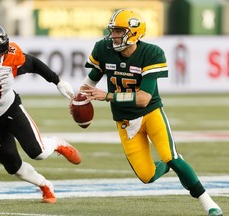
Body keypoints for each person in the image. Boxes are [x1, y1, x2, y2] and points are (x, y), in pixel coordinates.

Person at [77, 9, 223, 216]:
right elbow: (91, 79)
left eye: (119, 30)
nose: (114, 35)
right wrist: (78, 100)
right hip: (125, 121)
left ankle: (209, 203)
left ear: (134, 33)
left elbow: (144, 98)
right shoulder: (103, 48)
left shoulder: (151, 53)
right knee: (146, 176)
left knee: (171, 156)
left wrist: (108, 96)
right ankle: (167, 164)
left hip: (150, 113)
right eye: (113, 30)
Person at [0, 21, 82, 203]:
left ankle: (57, 143)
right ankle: (45, 185)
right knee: (13, 166)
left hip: (9, 108)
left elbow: (34, 64)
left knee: (39, 153)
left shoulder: (11, 55)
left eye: (0, 48)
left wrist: (57, 81)